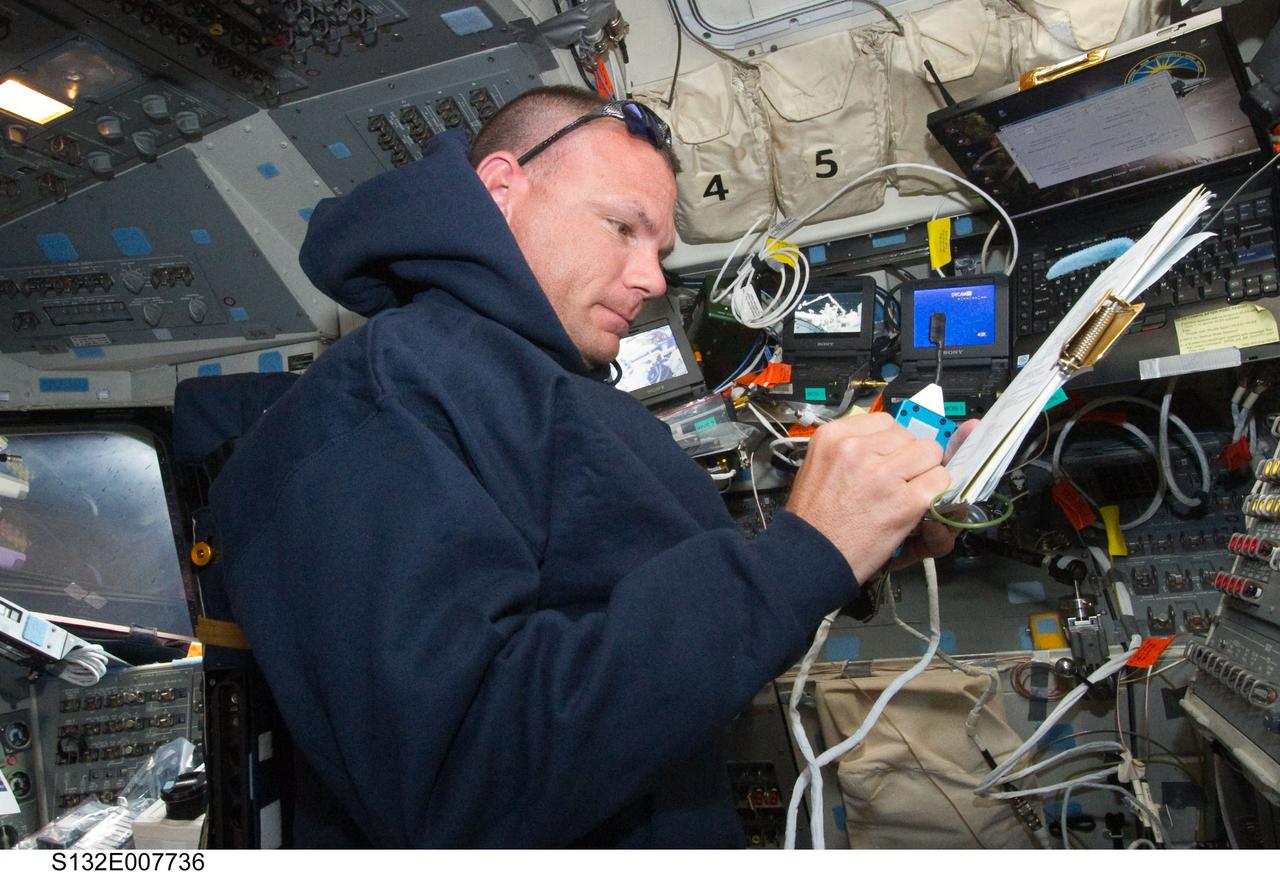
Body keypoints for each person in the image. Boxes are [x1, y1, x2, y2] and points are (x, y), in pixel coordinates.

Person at [206, 84, 968, 848]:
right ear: (502, 189)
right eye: (621, 228)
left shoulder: (534, 386)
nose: (654, 278)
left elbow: (615, 600)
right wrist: (804, 557)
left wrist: (861, 544)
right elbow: (464, 776)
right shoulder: (384, 393)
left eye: (661, 251)